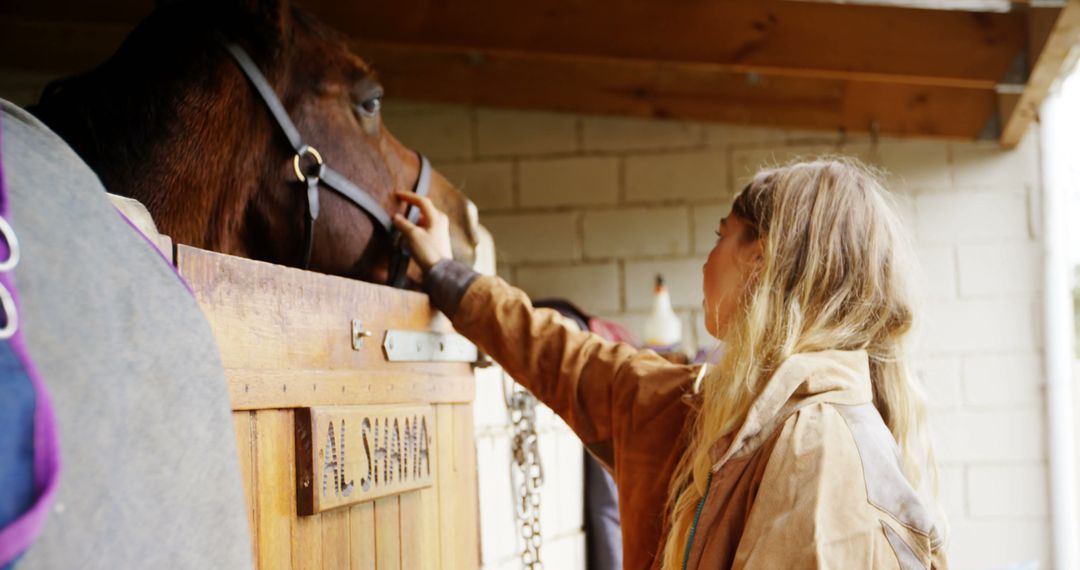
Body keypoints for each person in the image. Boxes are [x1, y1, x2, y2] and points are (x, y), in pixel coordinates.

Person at [393, 158, 946, 569]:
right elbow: (568, 359)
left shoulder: (821, 447)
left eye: (721, 234)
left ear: (763, 258)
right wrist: (446, 273)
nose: (708, 258)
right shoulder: (718, 410)